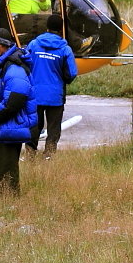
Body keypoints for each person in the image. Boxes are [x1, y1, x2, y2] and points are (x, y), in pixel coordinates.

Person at [0, 31, 36, 195]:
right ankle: (4, 203)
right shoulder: (2, 64)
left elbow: (16, 98)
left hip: (10, 125)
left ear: (4, 45)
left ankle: (10, 205)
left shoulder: (13, 68)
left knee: (5, 170)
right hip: (2, 126)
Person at [24, 13, 78, 159]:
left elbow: (24, 63)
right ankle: (48, 156)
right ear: (61, 29)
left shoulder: (34, 44)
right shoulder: (65, 49)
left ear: (46, 27)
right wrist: (63, 79)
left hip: (35, 95)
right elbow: (72, 72)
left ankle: (30, 155)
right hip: (55, 96)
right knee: (54, 129)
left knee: (34, 126)